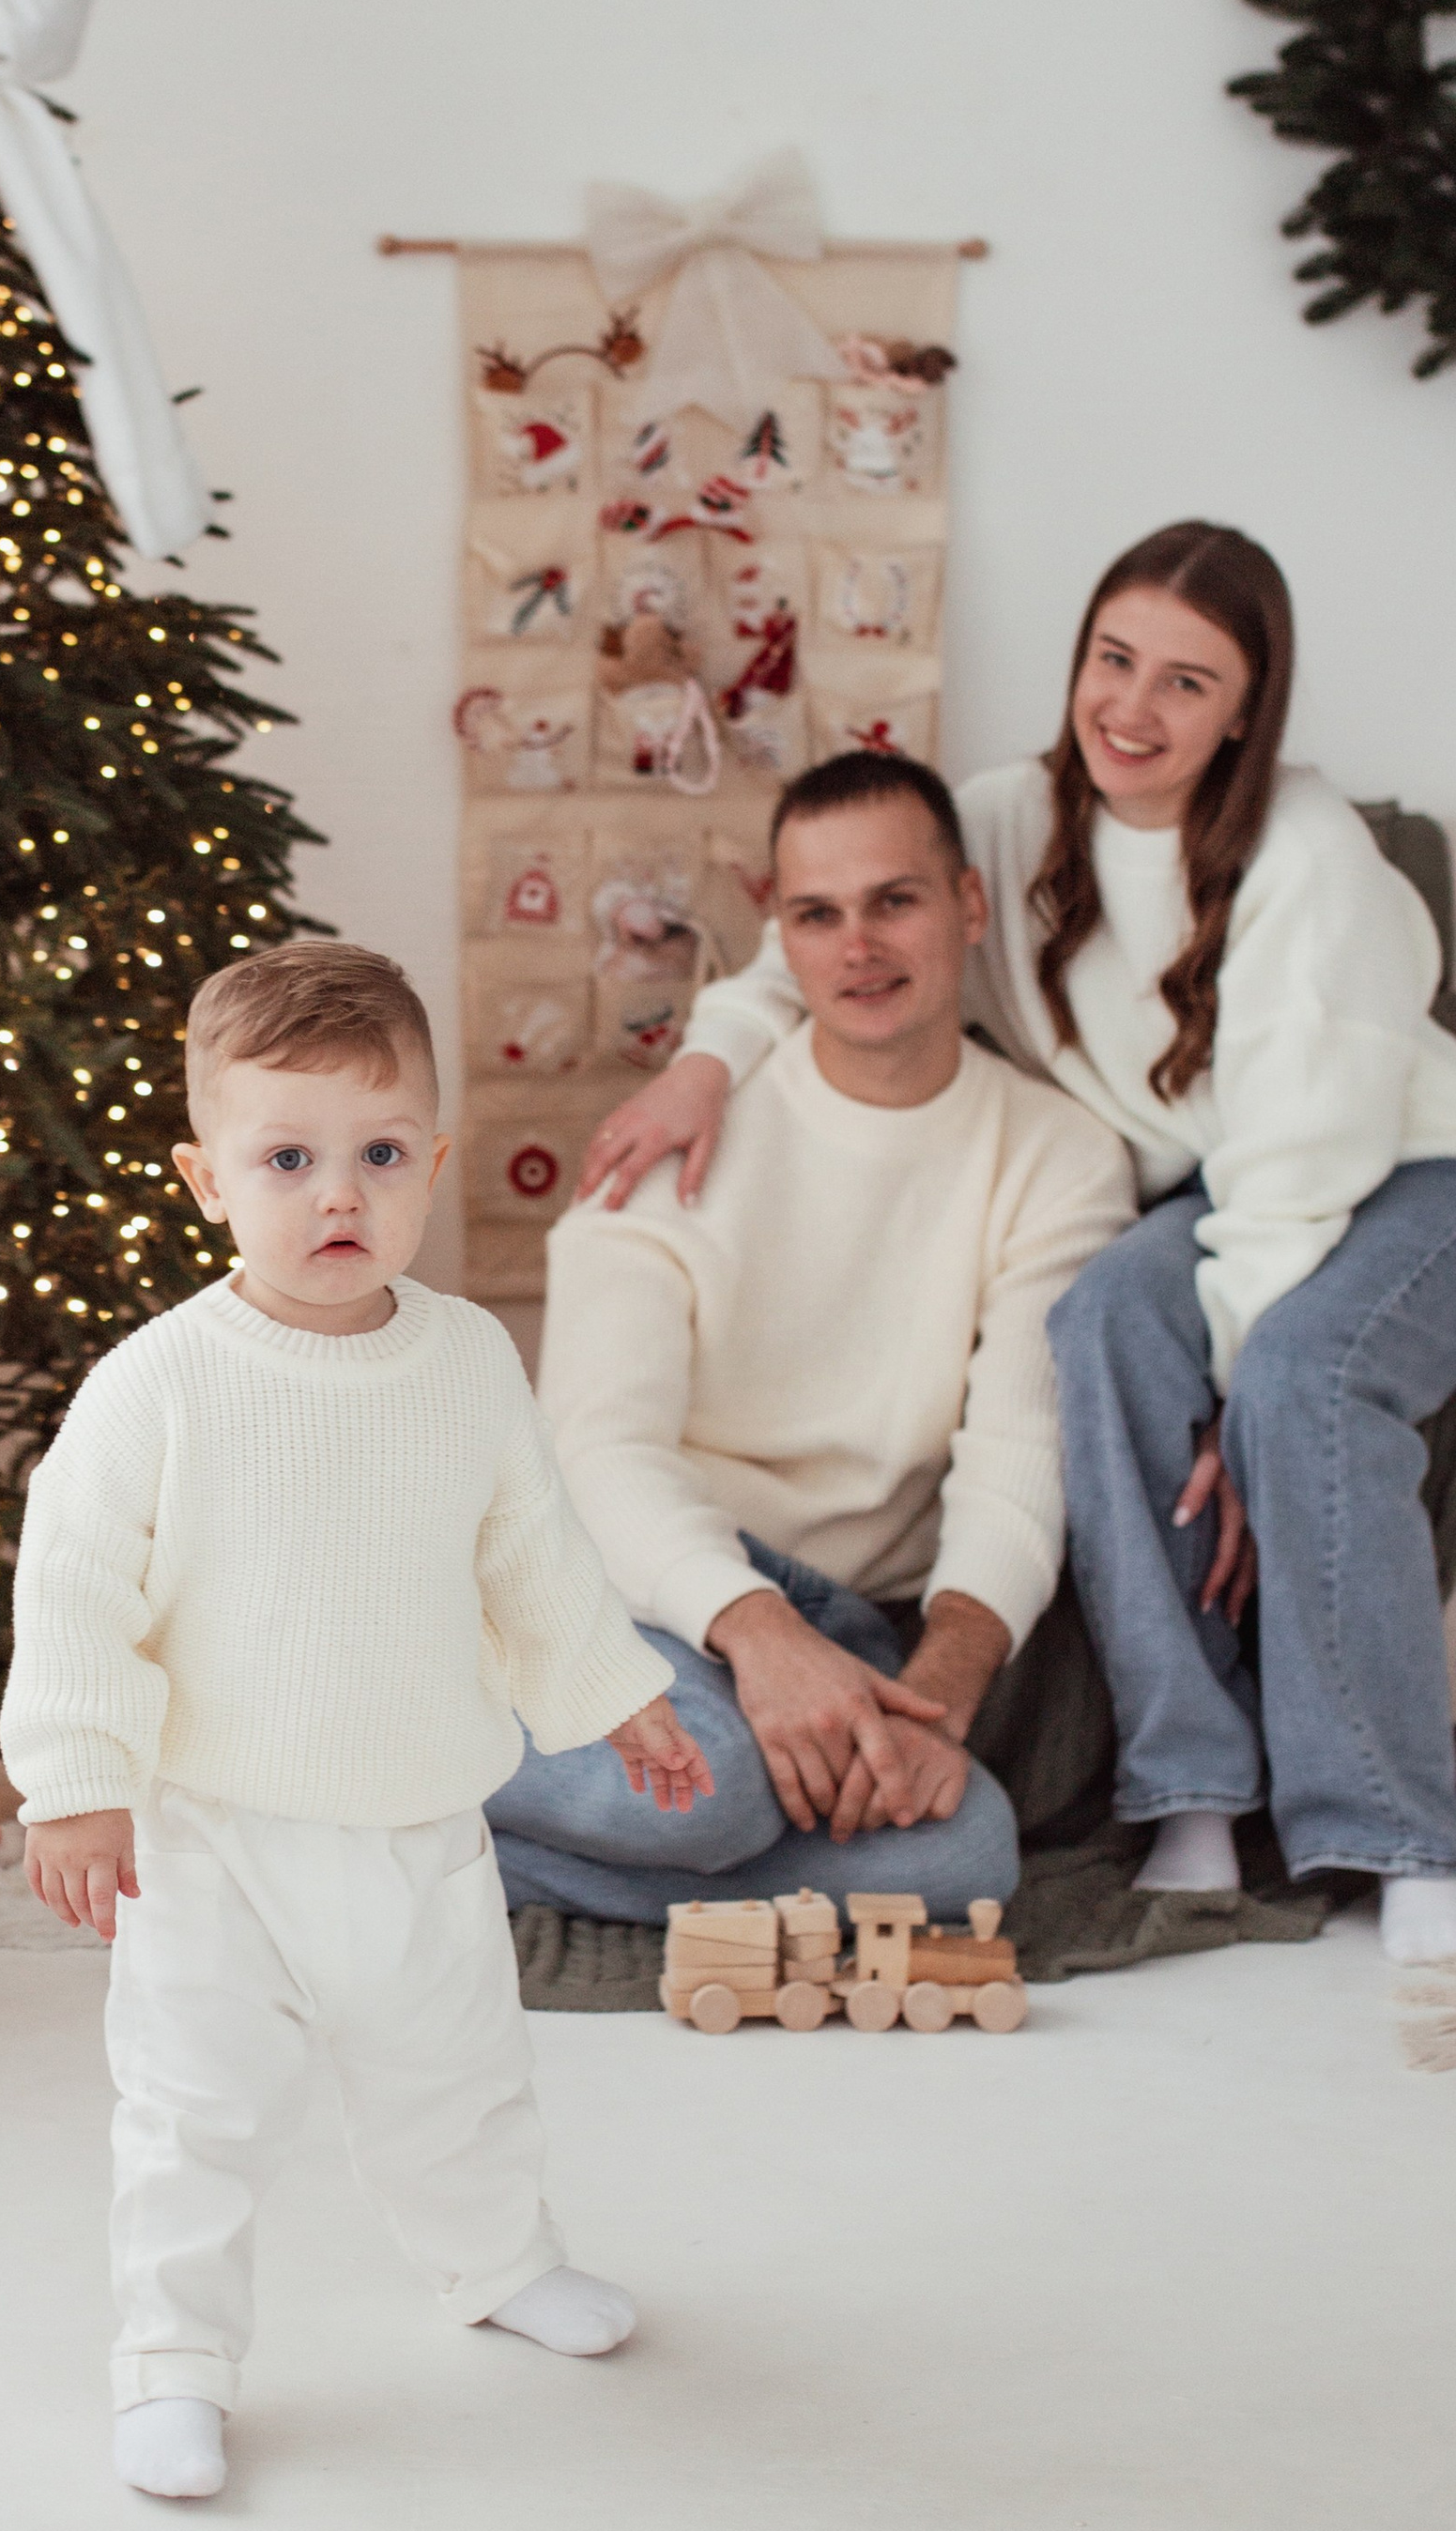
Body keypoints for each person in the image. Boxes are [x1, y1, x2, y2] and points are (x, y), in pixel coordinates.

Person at [581, 522, 1456, 1963]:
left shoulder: (1312, 861)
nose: (1132, 707)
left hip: (1397, 1177)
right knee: (1097, 1321)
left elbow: (1308, 1163)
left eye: (1187, 683)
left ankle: (1396, 1830)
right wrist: (706, 1064)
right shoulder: (1000, 820)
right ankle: (1185, 1790)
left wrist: (1236, 1406)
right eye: (1114, 661)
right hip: (1223, 1194)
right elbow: (809, 930)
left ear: (1247, 708)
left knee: (1299, 1380)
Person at [1, 939, 713, 2505]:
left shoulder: (464, 1361)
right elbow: (73, 1595)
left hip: (417, 1829)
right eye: (289, 1159)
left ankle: (497, 2264)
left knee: (460, 2079)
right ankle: (172, 2365)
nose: (340, 1196)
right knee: (193, 2119)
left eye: (380, 1157)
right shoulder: (159, 1384)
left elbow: (532, 1553)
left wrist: (621, 1700)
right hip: (213, 1843)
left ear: (434, 1164)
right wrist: (75, 1787)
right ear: (206, 1177)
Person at [489, 752, 1135, 1925]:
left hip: (851, 1620)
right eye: (817, 915)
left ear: (967, 906)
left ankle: (420, 1851)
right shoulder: (666, 1153)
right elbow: (595, 1458)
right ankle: (378, 1783)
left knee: (967, 1853)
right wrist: (756, 1632)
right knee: (718, 1790)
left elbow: (1018, 1461)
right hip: (632, 1584)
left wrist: (931, 1706)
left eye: (895, 901)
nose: (859, 947)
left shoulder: (1058, 1156)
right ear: (778, 937)